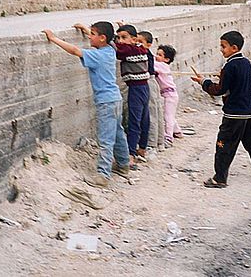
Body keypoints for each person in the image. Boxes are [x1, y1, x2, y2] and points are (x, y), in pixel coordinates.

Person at [42, 22, 131, 188]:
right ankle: (124, 164)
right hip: (115, 99)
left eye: (93, 34)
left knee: (106, 139)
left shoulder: (97, 56)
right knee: (118, 134)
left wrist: (54, 38)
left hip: (106, 102)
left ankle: (103, 175)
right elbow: (107, 40)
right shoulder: (110, 50)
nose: (90, 36)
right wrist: (86, 30)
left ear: (102, 38)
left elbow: (75, 51)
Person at [191, 31, 251, 188]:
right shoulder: (246, 63)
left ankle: (219, 178)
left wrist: (203, 82)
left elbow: (220, 90)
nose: (221, 49)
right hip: (249, 111)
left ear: (234, 48)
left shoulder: (229, 66)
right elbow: (236, 84)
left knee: (224, 145)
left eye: (223, 46)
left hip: (234, 114)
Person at [114, 25, 150, 169]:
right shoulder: (140, 47)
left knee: (134, 121)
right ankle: (142, 148)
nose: (120, 41)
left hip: (136, 88)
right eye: (119, 37)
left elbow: (114, 48)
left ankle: (130, 154)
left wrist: (87, 30)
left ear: (133, 39)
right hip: (144, 87)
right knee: (144, 119)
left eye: (124, 37)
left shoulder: (129, 50)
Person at [137, 31, 165, 152]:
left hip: (148, 82)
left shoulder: (145, 53)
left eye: (140, 42)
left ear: (148, 44)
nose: (137, 44)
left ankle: (151, 143)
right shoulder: (146, 51)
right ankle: (159, 142)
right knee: (155, 111)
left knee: (151, 113)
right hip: (151, 82)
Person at [154, 45, 182, 146]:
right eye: (157, 54)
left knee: (168, 116)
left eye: (160, 55)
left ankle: (168, 137)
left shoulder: (162, 66)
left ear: (166, 59)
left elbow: (150, 64)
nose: (156, 56)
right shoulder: (161, 65)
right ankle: (177, 131)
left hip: (169, 95)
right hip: (170, 94)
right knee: (170, 114)